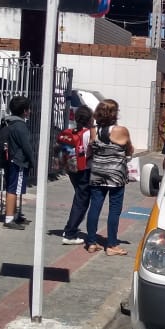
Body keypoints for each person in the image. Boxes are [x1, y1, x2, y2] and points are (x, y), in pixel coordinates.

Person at [85, 99, 134, 256]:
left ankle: (91, 242)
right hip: (115, 174)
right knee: (114, 209)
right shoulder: (121, 130)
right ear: (115, 113)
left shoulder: (94, 130)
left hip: (97, 172)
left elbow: (91, 149)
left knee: (95, 206)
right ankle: (112, 245)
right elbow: (130, 150)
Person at [57, 105, 93, 245]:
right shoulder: (88, 133)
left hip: (71, 168)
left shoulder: (71, 131)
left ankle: (71, 229)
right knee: (81, 201)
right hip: (84, 169)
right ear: (89, 119)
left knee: (79, 197)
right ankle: (70, 233)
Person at [2, 95, 35, 230]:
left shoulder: (9, 122)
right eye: (28, 109)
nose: (30, 111)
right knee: (14, 189)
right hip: (19, 161)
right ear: (24, 111)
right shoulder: (20, 126)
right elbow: (26, 146)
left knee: (15, 187)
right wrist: (32, 160)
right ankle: (9, 218)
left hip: (11, 159)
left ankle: (15, 215)